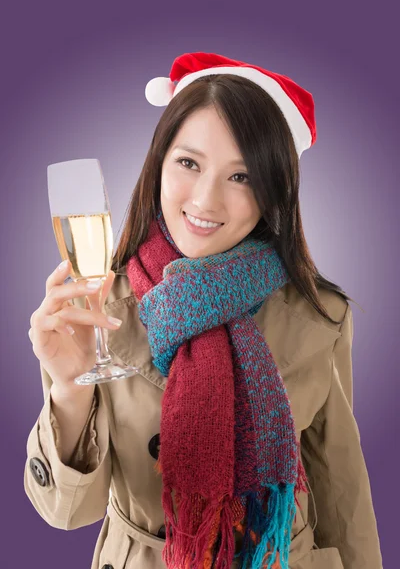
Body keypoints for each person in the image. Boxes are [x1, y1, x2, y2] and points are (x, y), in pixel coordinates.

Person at [24, 52, 383, 569]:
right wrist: (68, 390)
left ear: (273, 191)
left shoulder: (318, 316)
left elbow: (340, 491)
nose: (207, 200)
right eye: (189, 163)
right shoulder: (99, 306)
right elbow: (67, 512)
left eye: (242, 177)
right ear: (158, 164)